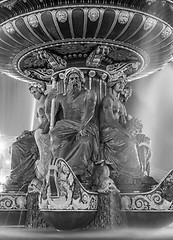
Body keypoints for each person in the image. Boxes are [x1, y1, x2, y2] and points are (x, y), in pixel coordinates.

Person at [45, 67, 99, 187]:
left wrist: (82, 126)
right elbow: (51, 117)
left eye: (77, 79)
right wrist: (49, 99)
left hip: (83, 124)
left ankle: (79, 173)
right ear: (67, 82)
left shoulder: (89, 94)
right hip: (65, 125)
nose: (74, 81)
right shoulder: (60, 97)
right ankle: (59, 167)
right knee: (54, 134)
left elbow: (90, 111)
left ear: (81, 81)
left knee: (84, 141)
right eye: (71, 79)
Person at [99, 77, 144, 179]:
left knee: (134, 139)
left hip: (117, 130)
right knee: (129, 141)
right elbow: (109, 120)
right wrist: (125, 132)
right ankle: (130, 171)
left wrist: (132, 127)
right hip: (107, 130)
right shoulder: (108, 100)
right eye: (119, 82)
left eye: (123, 83)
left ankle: (136, 171)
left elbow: (123, 122)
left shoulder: (121, 105)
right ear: (113, 84)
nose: (122, 85)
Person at [28, 82, 53, 182]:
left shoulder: (44, 103)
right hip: (41, 131)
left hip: (43, 133)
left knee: (19, 146)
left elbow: (46, 122)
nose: (33, 95)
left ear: (40, 90)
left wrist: (34, 132)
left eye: (35, 92)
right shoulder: (43, 102)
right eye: (32, 93)